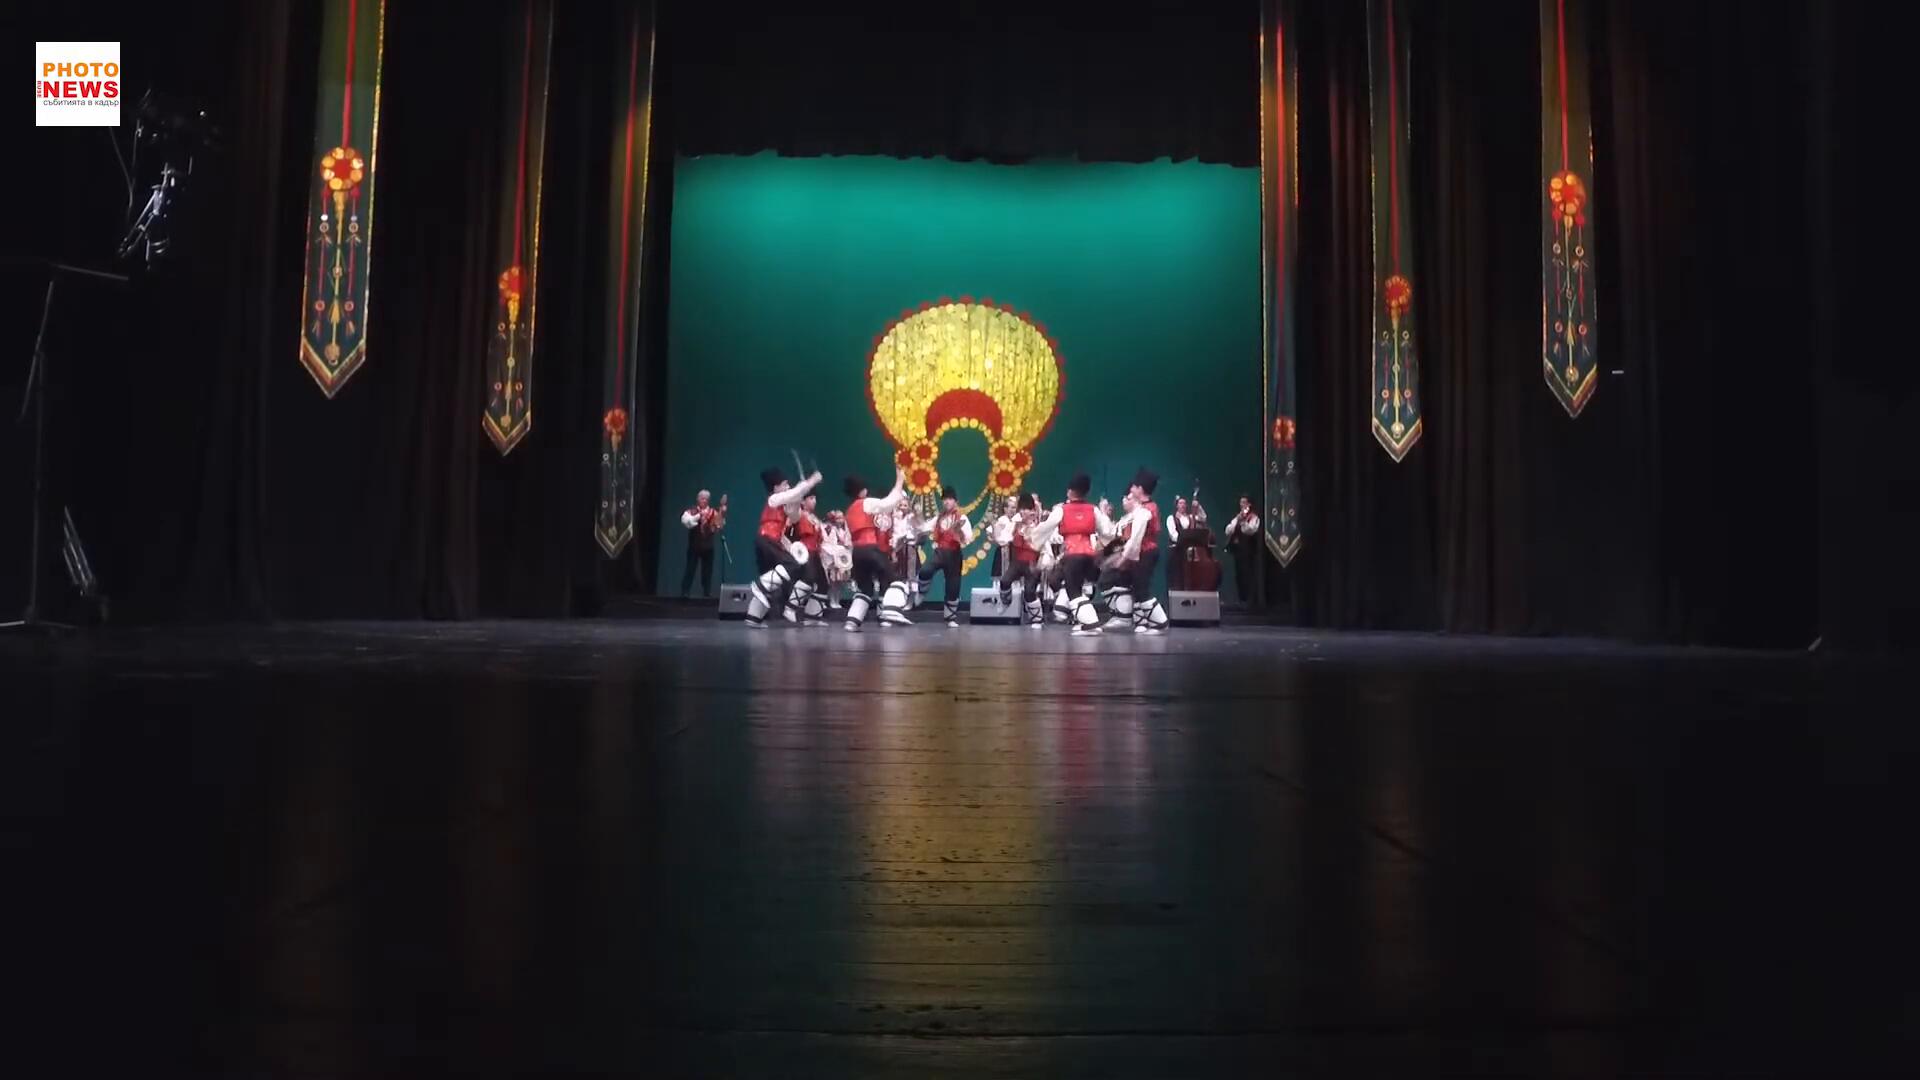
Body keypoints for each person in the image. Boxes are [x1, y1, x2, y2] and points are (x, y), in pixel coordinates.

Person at [1025, 472, 1115, 635]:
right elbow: (1108, 532)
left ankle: (1091, 624)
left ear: (1070, 491)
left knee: (1073, 590)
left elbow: (1045, 528)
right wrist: (1102, 545)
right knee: (1078, 588)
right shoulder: (1093, 510)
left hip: (1072, 554)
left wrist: (1033, 541)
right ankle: (1084, 622)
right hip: (1089, 555)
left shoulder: (1062, 510)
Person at [745, 467, 823, 628]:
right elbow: (792, 494)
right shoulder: (773, 499)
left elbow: (794, 516)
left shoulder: (783, 502)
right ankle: (760, 586)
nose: (788, 486)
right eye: (785, 484)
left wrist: (798, 497)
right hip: (767, 539)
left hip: (770, 541)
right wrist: (810, 482)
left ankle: (753, 618)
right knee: (790, 565)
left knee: (773, 576)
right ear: (775, 487)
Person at [843, 469, 915, 631]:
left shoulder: (849, 510)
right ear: (863, 491)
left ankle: (852, 621)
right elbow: (889, 502)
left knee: (866, 588)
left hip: (857, 553)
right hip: (870, 549)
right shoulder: (866, 503)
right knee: (895, 580)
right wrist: (900, 481)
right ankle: (891, 611)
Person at [1113, 468, 1170, 634]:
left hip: (1146, 551)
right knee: (1136, 587)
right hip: (1142, 551)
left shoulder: (1146, 510)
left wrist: (1124, 558)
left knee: (1142, 587)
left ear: (1140, 489)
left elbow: (1136, 538)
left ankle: (1160, 623)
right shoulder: (1144, 507)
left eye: (1134, 487)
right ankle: (1141, 622)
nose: (1131, 489)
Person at [918, 486, 974, 627]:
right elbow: (924, 528)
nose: (947, 502)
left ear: (956, 501)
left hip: (954, 554)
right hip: (940, 552)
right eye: (944, 499)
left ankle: (950, 618)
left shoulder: (961, 518)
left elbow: (967, 538)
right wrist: (918, 516)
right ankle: (921, 592)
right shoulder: (939, 517)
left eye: (950, 499)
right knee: (925, 570)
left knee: (953, 586)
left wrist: (958, 530)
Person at [997, 492, 1047, 628]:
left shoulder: (1039, 527)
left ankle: (1037, 620)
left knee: (1030, 592)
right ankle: (1006, 602)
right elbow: (1003, 539)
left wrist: (1042, 563)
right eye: (1022, 509)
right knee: (1004, 581)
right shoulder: (1015, 525)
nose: (1024, 512)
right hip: (1017, 562)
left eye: (1028, 509)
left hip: (1032, 563)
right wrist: (998, 530)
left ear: (1032, 511)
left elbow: (1045, 546)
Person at [782, 492, 831, 626]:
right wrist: (791, 547)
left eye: (815, 498)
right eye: (811, 498)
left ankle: (812, 616)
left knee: (823, 584)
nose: (814, 501)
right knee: (808, 579)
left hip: (815, 552)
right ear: (802, 502)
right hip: (804, 551)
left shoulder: (813, 517)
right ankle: (790, 608)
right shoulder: (798, 515)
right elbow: (785, 530)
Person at [678, 490, 724, 598]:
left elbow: (719, 525)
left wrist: (719, 519)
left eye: (706, 499)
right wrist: (699, 516)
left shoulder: (712, 512)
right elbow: (686, 522)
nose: (704, 500)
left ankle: (707, 592)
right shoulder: (692, 511)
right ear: (698, 499)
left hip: (708, 546)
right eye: (702, 498)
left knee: (707, 571)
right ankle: (685, 591)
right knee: (690, 569)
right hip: (694, 545)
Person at [1223, 495, 1262, 604]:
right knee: (1239, 575)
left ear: (1249, 504)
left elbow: (1251, 530)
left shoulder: (1253, 517)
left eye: (1244, 502)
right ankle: (1242, 599)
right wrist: (1238, 520)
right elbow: (1228, 530)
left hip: (1249, 550)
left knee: (1248, 575)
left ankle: (1250, 600)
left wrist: (1243, 522)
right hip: (1238, 551)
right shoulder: (1238, 517)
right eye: (1241, 502)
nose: (1242, 504)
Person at [819, 509, 852, 609]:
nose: (840, 520)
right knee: (832, 581)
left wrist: (847, 547)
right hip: (832, 558)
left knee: (841, 581)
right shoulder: (830, 529)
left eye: (841, 518)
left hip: (843, 558)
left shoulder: (845, 530)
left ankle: (837, 600)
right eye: (837, 518)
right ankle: (830, 600)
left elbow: (849, 543)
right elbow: (826, 543)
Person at [1165, 496, 1196, 590]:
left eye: (1184, 503)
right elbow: (1173, 534)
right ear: (1176, 506)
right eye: (1180, 503)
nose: (1182, 505)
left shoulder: (1190, 517)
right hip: (1176, 550)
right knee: (1176, 575)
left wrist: (1197, 506)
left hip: (1188, 550)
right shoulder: (1171, 518)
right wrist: (1184, 539)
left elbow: (1203, 517)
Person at [986, 495, 1019, 578]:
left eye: (1014, 508)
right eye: (1010, 507)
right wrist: (993, 526)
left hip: (1015, 551)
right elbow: (992, 535)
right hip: (1003, 550)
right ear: (1005, 509)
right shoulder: (1001, 521)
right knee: (1001, 575)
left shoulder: (1018, 521)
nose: (1012, 510)